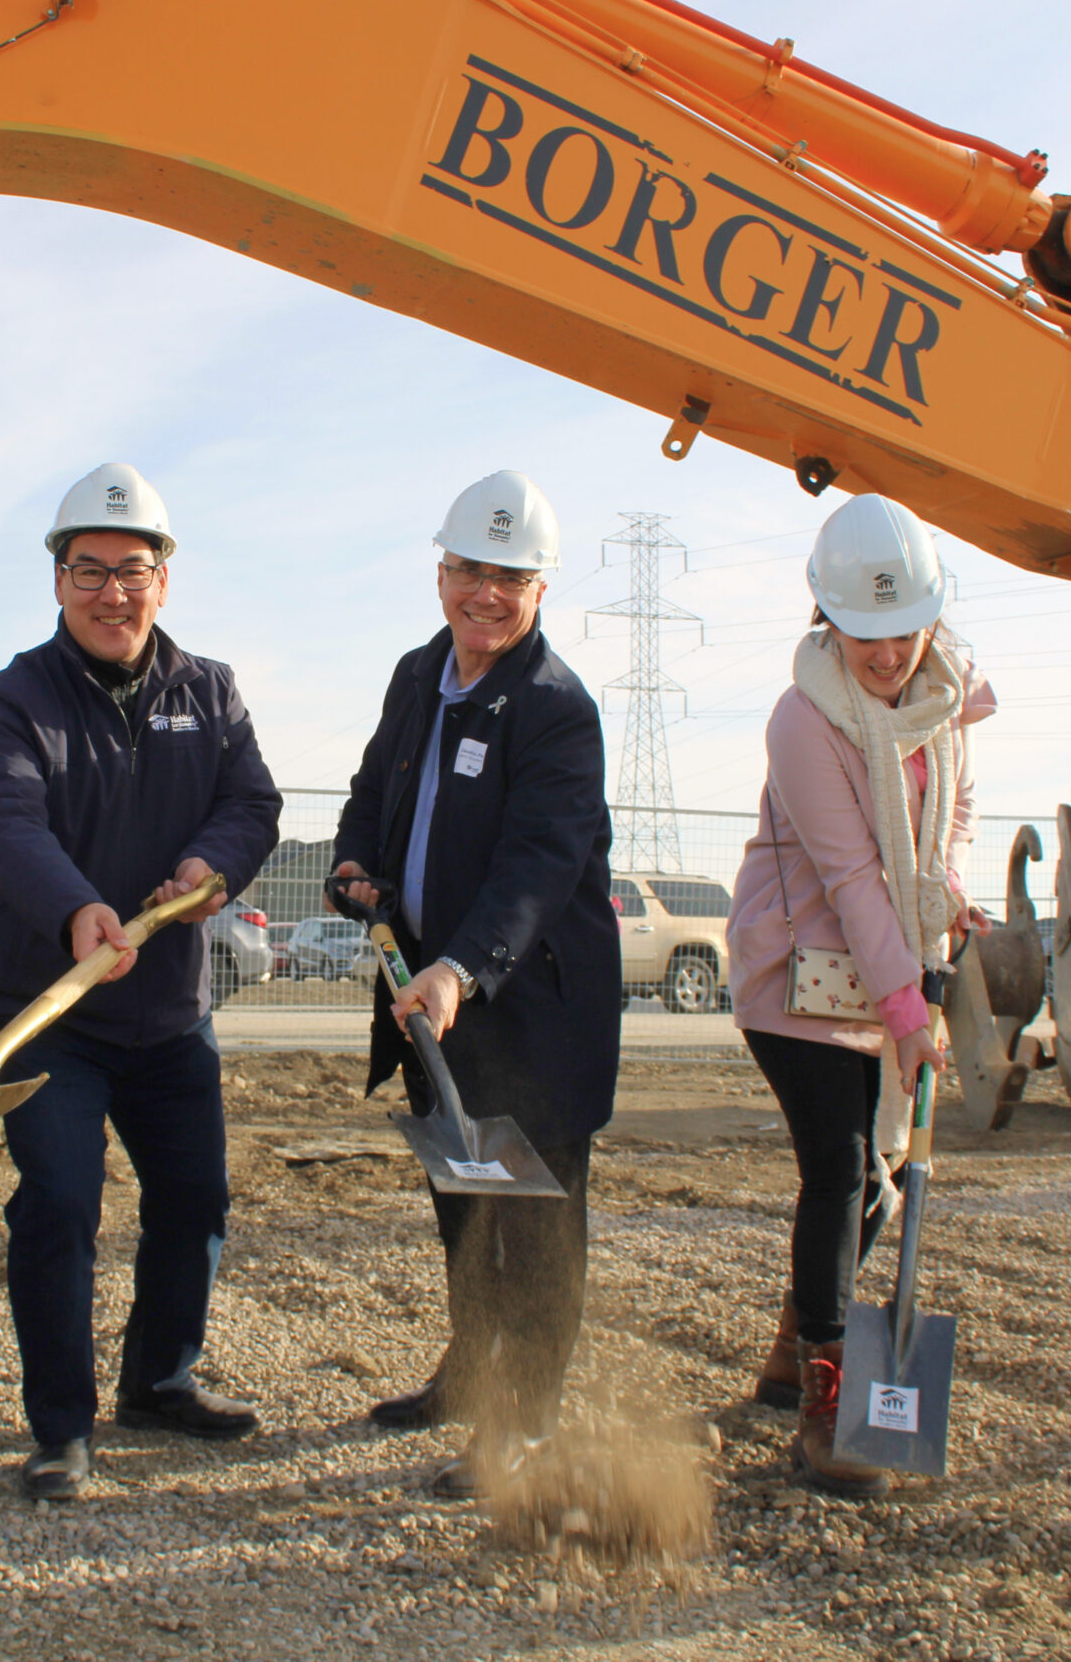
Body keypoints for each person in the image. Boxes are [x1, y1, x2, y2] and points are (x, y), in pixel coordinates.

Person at [0, 461, 283, 1500]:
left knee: (194, 1200)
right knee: (58, 1203)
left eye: (131, 570)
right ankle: (61, 1426)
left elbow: (252, 801)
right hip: (51, 1010)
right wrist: (74, 912)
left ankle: (160, 1379)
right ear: (58, 583)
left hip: (170, 1008)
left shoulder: (209, 691)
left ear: (163, 580)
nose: (112, 593)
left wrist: (209, 868)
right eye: (88, 571)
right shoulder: (10, 700)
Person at [329, 469, 623, 1499]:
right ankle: (469, 1372)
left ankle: (527, 1420)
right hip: (426, 1001)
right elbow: (373, 792)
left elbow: (537, 866)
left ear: (541, 588)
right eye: (468, 571)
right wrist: (351, 865)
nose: (485, 595)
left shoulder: (554, 711)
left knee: (537, 1225)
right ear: (441, 571)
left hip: (528, 1006)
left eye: (510, 577)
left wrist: (461, 966)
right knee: (461, 1197)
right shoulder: (418, 675)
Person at [724, 494, 994, 1499]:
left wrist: (952, 892)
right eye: (861, 632)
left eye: (902, 630)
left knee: (876, 1181)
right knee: (841, 1169)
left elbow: (956, 807)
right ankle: (827, 1407)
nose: (885, 655)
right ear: (824, 619)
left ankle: (796, 1348)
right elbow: (847, 878)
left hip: (887, 963)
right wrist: (912, 1019)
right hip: (793, 968)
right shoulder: (803, 719)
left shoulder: (951, 695)